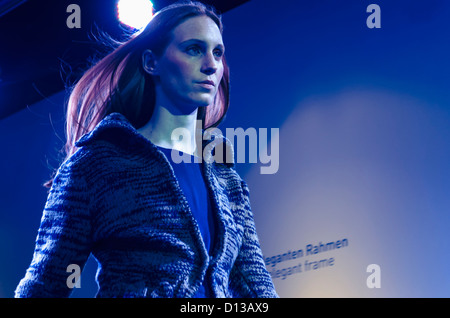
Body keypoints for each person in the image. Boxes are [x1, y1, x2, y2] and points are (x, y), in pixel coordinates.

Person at [15, 1, 278, 298]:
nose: (211, 64)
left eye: (217, 52)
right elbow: (44, 285)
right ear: (151, 62)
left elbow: (256, 285)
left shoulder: (224, 174)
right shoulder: (97, 164)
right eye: (194, 49)